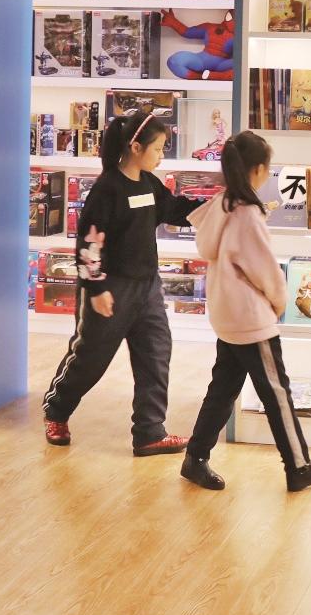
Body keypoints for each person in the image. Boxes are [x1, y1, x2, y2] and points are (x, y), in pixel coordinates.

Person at [180, 130, 311, 492]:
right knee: (277, 392)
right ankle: (298, 466)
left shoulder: (220, 206)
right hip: (251, 319)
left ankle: (195, 458)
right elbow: (266, 270)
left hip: (226, 315)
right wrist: (278, 303)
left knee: (222, 389)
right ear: (258, 170)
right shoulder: (248, 214)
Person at [41, 107, 199, 455]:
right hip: (109, 291)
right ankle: (56, 411)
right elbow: (89, 243)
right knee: (90, 359)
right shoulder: (107, 189)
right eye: (157, 149)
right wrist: (96, 288)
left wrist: (220, 208)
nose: (161, 155)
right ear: (136, 148)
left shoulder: (150, 184)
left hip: (148, 289)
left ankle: (149, 432)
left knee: (156, 356)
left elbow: (177, 210)